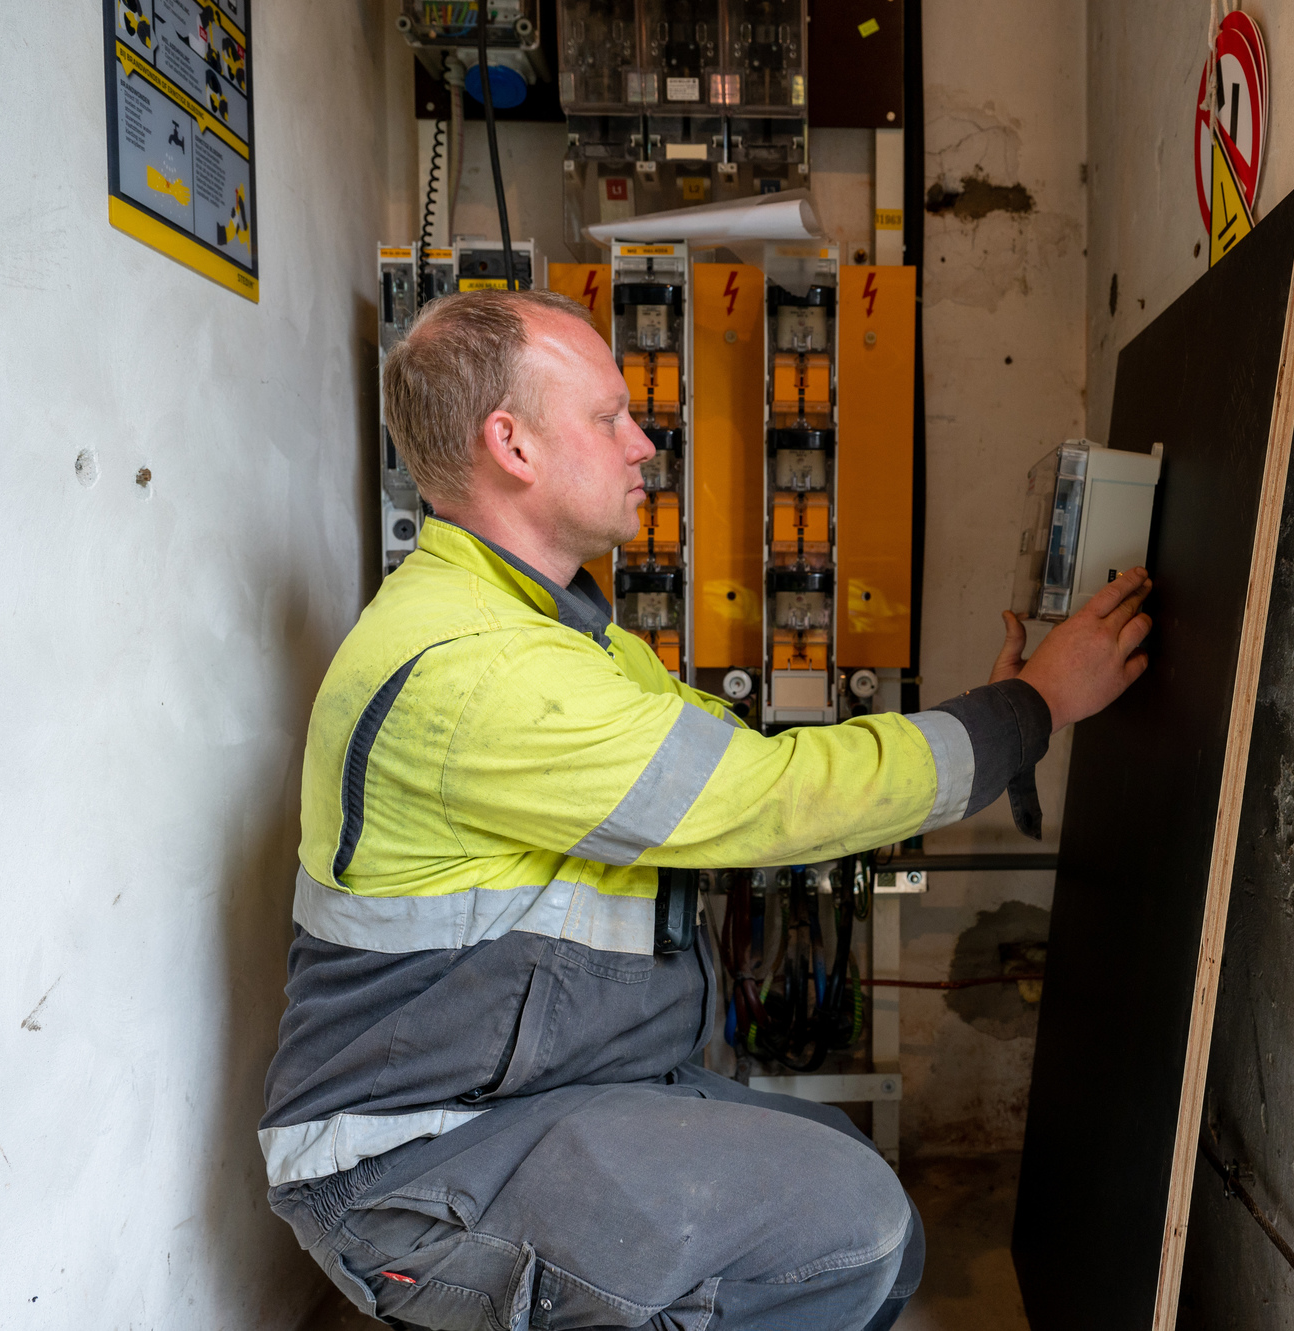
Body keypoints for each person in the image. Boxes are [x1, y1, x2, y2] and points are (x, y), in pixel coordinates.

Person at [260, 288, 1153, 1329]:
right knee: (842, 1223)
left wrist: (999, 712)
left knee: (873, 1215)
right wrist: (1034, 706)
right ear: (510, 442)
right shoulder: (477, 668)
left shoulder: (563, 635)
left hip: (540, 1093)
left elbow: (749, 770)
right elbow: (769, 801)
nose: (644, 443)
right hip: (410, 1158)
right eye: (607, 416)